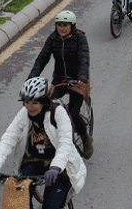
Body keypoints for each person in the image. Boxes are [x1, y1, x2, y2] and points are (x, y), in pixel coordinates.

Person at [0, 78, 87, 209]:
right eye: (27, 102)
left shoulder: (58, 113)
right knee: (17, 202)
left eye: (35, 102)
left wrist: (56, 167)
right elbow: (8, 138)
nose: (30, 107)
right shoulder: (24, 114)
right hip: (34, 160)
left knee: (51, 205)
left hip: (60, 167)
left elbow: (65, 143)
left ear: (44, 101)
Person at [27, 10, 93, 159]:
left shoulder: (80, 38)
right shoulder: (53, 39)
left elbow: (84, 59)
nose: (62, 28)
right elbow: (41, 59)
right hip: (59, 80)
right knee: (46, 108)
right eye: (59, 25)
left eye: (65, 25)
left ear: (72, 26)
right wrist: (31, 78)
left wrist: (82, 77)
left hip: (77, 81)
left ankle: (86, 138)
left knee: (74, 114)